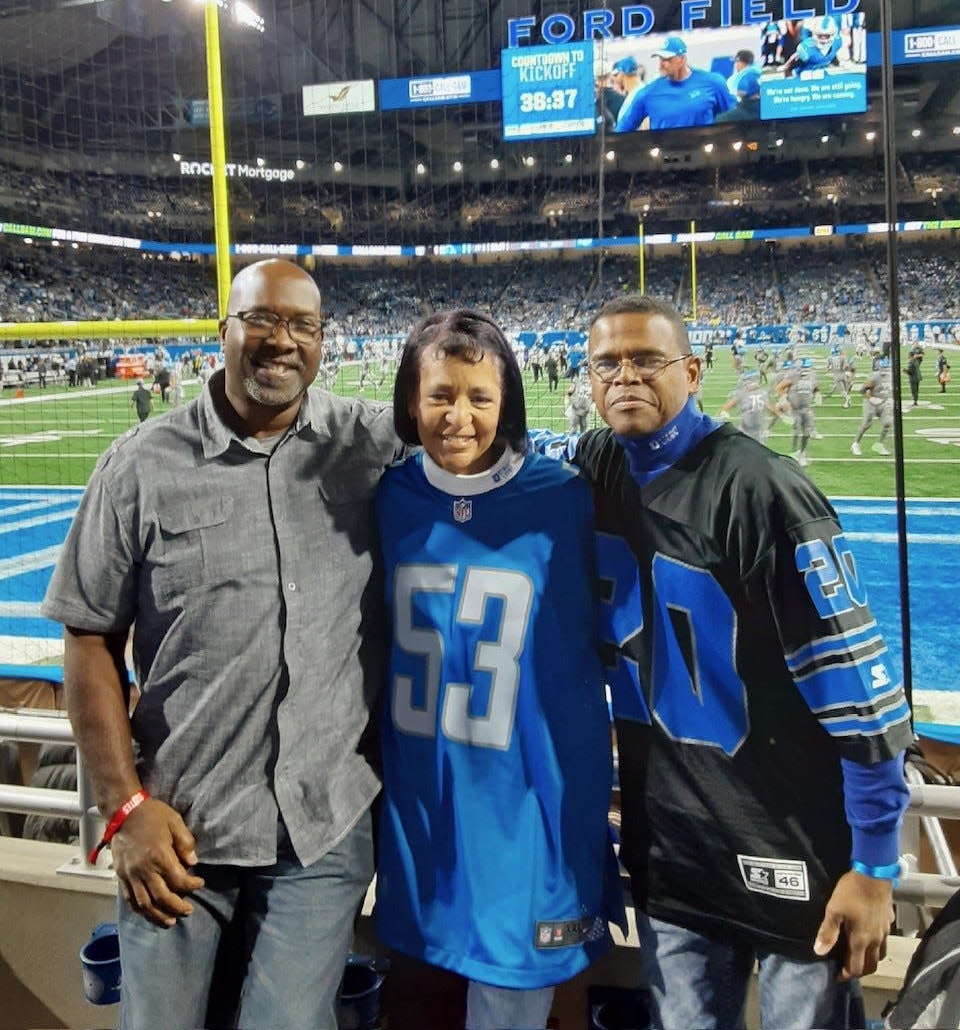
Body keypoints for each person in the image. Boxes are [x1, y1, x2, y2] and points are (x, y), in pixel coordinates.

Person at [41, 258, 400, 1030]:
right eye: (261, 319)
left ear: (323, 340)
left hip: (321, 825)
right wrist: (122, 807)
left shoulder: (365, 445)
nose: (281, 341)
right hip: (179, 828)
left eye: (302, 325)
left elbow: (475, 439)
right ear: (224, 331)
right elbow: (87, 639)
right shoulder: (138, 464)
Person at [541, 294, 912, 1030]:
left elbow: (861, 693)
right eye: (606, 363)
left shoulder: (763, 489)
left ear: (694, 368)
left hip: (787, 840)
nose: (625, 378)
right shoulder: (591, 467)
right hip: (672, 842)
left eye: (647, 360)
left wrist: (874, 864)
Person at [374, 309, 618, 1030]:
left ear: (506, 402)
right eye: (441, 395)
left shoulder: (565, 497)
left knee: (510, 1007)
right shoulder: (387, 497)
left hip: (529, 814)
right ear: (410, 402)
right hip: (426, 809)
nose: (459, 417)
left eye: (480, 398)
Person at [614, 36, 736, 132]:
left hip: (704, 158)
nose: (661, 64)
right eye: (660, 58)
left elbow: (733, 118)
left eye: (667, 59)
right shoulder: (648, 93)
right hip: (665, 159)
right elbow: (623, 128)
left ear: (682, 59)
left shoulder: (713, 82)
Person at [773, 357, 822, 467]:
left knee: (807, 432)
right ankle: (794, 451)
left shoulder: (812, 376)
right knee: (796, 431)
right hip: (795, 409)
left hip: (807, 408)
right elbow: (779, 388)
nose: (806, 370)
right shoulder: (793, 376)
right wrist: (784, 399)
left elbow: (815, 387)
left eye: (807, 368)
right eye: (804, 368)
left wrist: (818, 393)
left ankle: (802, 453)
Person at [718, 368, 779, 444]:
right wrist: (769, 428)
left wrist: (724, 416)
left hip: (748, 432)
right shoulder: (763, 393)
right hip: (756, 432)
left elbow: (724, 409)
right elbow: (775, 413)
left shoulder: (742, 393)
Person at [851, 359, 894, 455]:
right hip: (871, 403)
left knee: (888, 423)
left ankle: (879, 445)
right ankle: (855, 444)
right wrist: (870, 398)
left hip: (883, 403)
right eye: (885, 368)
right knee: (866, 425)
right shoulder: (875, 376)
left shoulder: (892, 376)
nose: (886, 371)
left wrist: (891, 399)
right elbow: (863, 390)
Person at [714, 48, 762, 122]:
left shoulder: (736, 78)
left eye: (736, 62)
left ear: (740, 62)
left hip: (740, 112)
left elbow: (734, 98)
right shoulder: (759, 72)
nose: (735, 64)